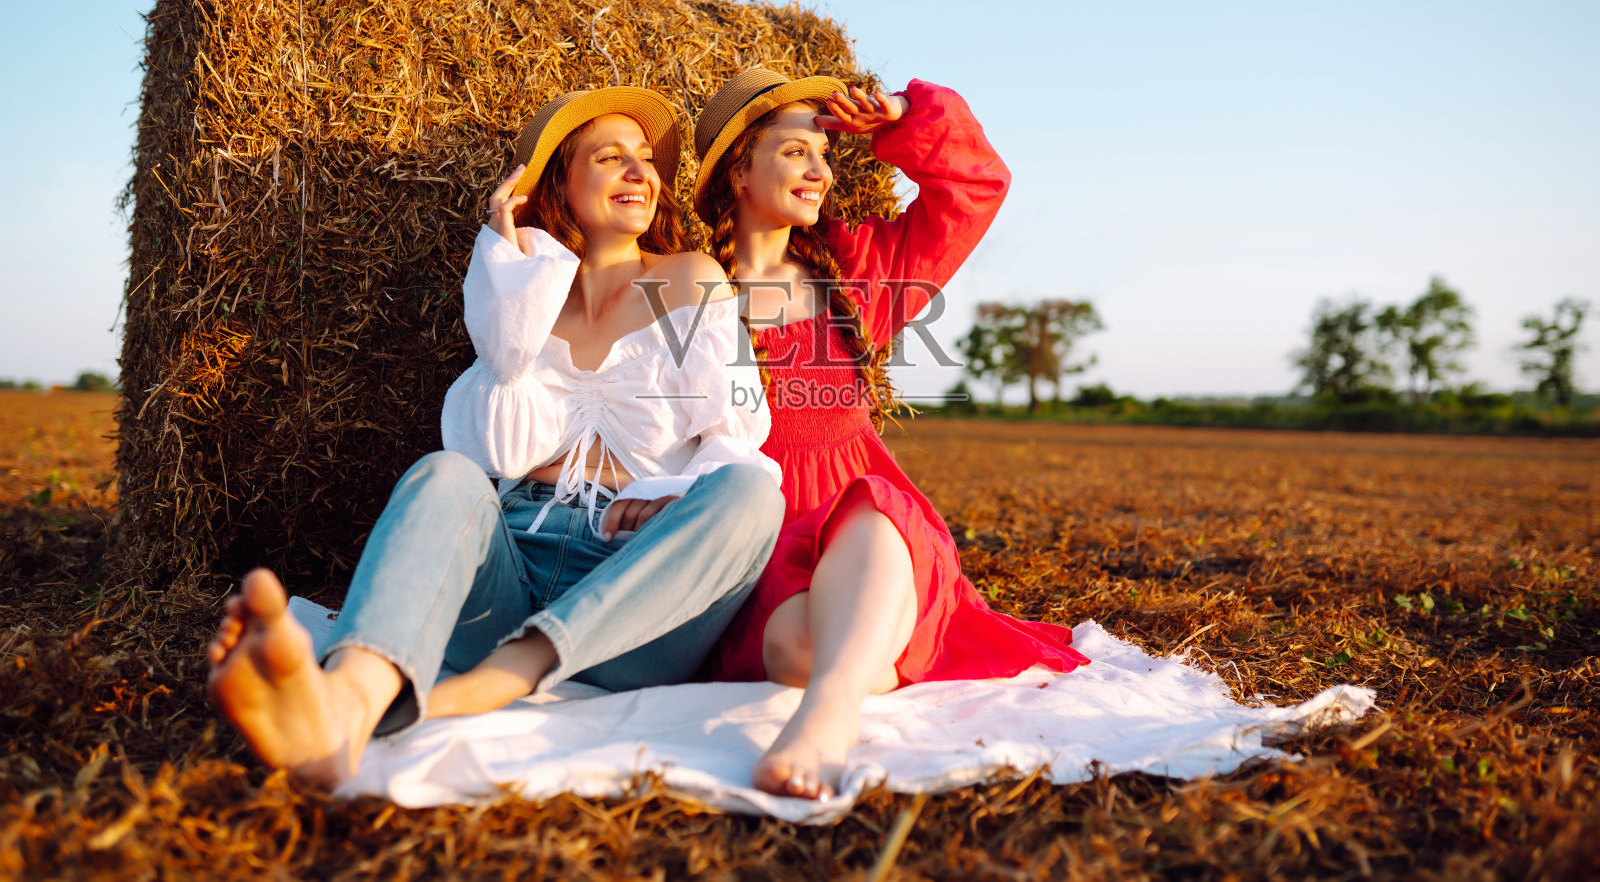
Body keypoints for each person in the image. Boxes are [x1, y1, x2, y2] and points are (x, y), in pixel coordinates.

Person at [207, 86, 784, 788]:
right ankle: (343, 706)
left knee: (752, 491)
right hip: (506, 573)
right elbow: (493, 449)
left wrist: (671, 495)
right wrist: (512, 278)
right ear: (558, 184)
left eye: (645, 159)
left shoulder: (694, 279)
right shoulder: (527, 294)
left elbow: (743, 429)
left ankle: (503, 678)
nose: (639, 171)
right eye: (611, 157)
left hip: (634, 598)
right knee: (444, 472)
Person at [693, 68, 1091, 799]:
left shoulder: (856, 270)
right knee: (790, 649)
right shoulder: (691, 288)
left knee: (871, 506)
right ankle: (886, 646)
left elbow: (976, 188)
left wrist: (904, 116)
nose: (819, 170)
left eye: (825, 153)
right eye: (794, 153)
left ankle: (826, 724)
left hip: (870, 526)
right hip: (759, 536)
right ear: (739, 169)